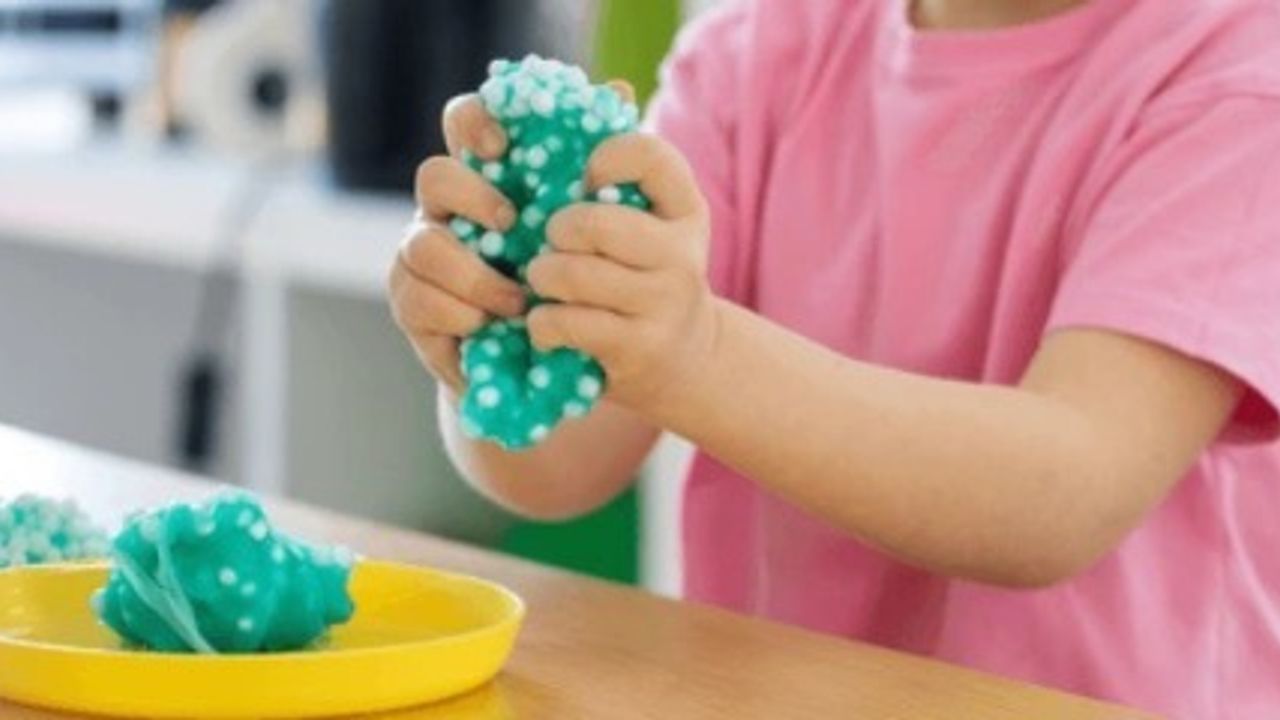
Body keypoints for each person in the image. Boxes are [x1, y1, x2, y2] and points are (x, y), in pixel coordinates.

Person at [387, 1, 1280, 715]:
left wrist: (696, 354)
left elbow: (1065, 494)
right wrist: (491, 333)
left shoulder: (1239, 82)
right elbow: (560, 464)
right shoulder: (754, 52)